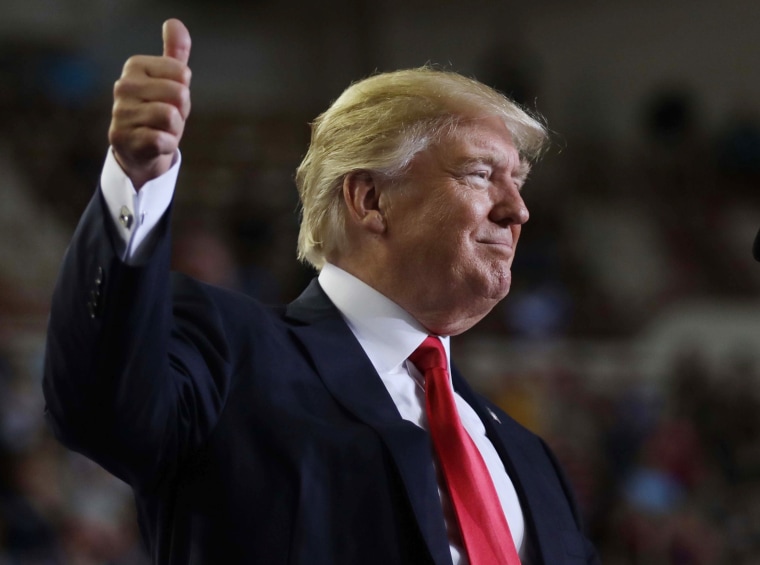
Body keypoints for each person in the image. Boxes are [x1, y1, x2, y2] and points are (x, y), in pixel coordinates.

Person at [43, 18, 599, 565]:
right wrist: (136, 180)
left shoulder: (531, 459)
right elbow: (98, 405)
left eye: (518, 182)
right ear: (370, 200)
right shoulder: (231, 352)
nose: (517, 209)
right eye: (481, 174)